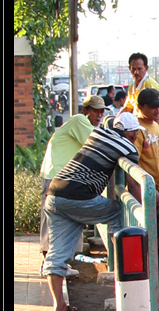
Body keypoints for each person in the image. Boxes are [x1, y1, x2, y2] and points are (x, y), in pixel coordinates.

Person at [43, 113, 142, 311]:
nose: (135, 137)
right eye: (135, 133)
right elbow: (133, 185)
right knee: (117, 210)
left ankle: (59, 306)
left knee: (57, 255)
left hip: (54, 195)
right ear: (129, 133)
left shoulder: (98, 133)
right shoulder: (128, 148)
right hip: (77, 198)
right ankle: (120, 262)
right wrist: (144, 211)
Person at [38, 95, 107, 265]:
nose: (98, 116)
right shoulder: (79, 120)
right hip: (55, 176)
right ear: (85, 111)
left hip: (64, 178)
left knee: (66, 221)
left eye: (101, 112)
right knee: (52, 222)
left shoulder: (82, 124)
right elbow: (98, 143)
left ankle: (60, 263)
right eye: (95, 111)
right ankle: (50, 263)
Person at [132, 87, 159, 215]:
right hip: (147, 191)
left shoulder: (156, 126)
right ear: (140, 107)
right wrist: (150, 190)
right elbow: (135, 164)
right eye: (153, 107)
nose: (158, 110)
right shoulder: (137, 130)